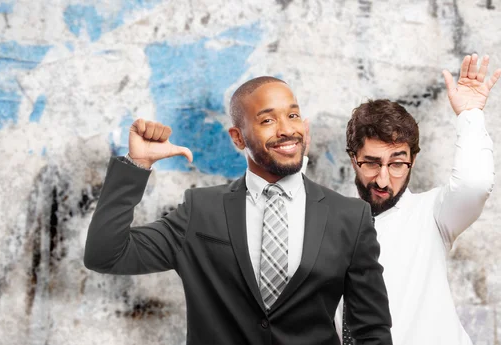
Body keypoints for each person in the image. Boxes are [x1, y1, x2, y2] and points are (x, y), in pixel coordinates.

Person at [83, 76, 393, 344]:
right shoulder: (199, 211)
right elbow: (105, 254)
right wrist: (137, 165)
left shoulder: (350, 218)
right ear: (237, 137)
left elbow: (371, 329)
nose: (286, 129)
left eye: (293, 115)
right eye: (268, 120)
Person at [325, 54, 501, 344]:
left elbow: (475, 184)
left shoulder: (432, 214)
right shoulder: (331, 224)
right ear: (353, 160)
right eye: (371, 163)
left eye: (396, 163)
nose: (383, 180)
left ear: (413, 160)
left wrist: (470, 116)